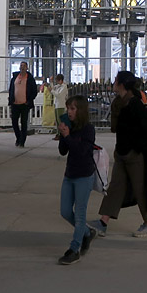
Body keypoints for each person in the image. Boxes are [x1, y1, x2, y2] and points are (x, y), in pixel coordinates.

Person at [92, 70, 147, 238]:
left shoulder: (134, 103)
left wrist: (136, 146)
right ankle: (103, 222)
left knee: (140, 188)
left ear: (121, 84)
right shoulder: (120, 102)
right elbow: (116, 128)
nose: (113, 83)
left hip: (134, 154)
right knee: (115, 188)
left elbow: (145, 128)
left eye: (115, 81)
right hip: (121, 152)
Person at [56, 94, 97, 265]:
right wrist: (64, 134)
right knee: (65, 211)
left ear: (80, 110)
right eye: (68, 109)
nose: (69, 112)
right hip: (70, 174)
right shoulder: (69, 127)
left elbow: (81, 151)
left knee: (80, 214)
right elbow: (63, 151)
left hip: (84, 176)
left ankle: (75, 248)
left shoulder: (88, 129)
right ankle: (87, 232)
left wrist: (68, 137)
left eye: (72, 109)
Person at [8, 61, 36, 147]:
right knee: (14, 122)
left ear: (27, 68)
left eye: (24, 66)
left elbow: (34, 91)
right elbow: (11, 89)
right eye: (21, 65)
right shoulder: (15, 78)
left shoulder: (30, 78)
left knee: (24, 123)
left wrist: (29, 100)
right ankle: (18, 137)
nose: (22, 67)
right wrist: (11, 99)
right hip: (15, 104)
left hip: (25, 104)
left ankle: (22, 141)